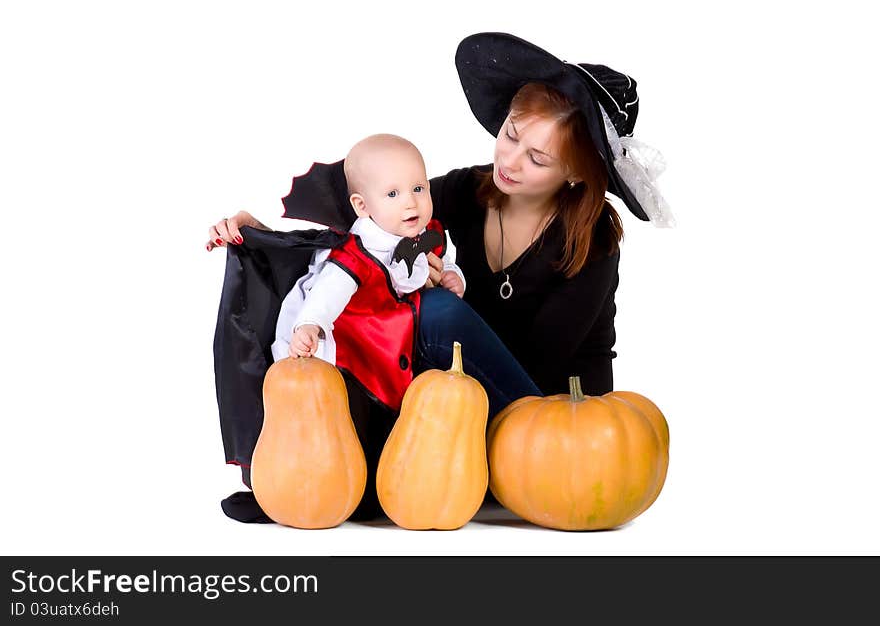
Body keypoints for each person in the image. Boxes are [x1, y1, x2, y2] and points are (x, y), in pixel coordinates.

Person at [208, 32, 672, 523]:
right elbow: (364, 217)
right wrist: (260, 235)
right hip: (455, 397)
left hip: (551, 414)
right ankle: (338, 470)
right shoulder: (467, 191)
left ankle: (423, 467)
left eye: (538, 158)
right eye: (512, 135)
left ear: (576, 172)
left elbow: (538, 355)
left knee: (432, 310)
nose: (510, 162)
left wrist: (436, 290)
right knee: (351, 297)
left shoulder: (592, 238)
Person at [273, 133, 465, 413]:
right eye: (392, 194)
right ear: (362, 206)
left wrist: (453, 275)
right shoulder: (358, 252)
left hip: (392, 331)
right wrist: (310, 324)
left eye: (419, 189)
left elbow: (443, 260)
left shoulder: (427, 234)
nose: (410, 203)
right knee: (346, 400)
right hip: (353, 335)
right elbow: (330, 291)